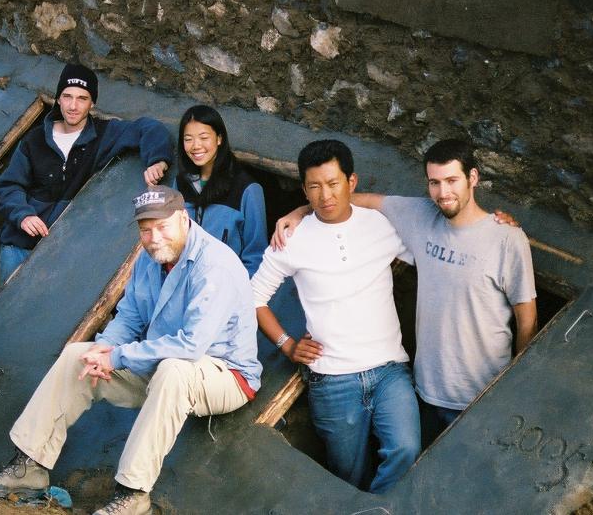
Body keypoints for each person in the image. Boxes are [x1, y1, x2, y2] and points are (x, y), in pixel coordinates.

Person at [0, 185, 261, 515]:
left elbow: (191, 345)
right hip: (162, 362)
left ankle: (133, 494)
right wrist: (103, 350)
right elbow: (129, 316)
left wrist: (117, 357)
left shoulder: (215, 264)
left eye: (162, 227)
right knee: (77, 357)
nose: (154, 238)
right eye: (145, 230)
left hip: (224, 373)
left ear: (183, 219)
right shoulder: (149, 259)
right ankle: (30, 466)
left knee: (174, 371)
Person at [272, 139, 537, 430]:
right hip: (426, 391)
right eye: (434, 183)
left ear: (472, 178)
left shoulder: (507, 239)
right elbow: (356, 200)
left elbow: (528, 323)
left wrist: (514, 391)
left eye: (452, 180)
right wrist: (301, 211)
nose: (443, 193)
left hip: (484, 397)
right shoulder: (420, 215)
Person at [252, 140, 419, 494]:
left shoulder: (381, 225)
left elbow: (434, 247)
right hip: (331, 380)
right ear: (304, 190)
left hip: (389, 370)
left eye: (333, 183)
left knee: (406, 449)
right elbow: (252, 298)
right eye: (314, 186)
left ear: (351, 182)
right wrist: (286, 345)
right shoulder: (292, 238)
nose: (325, 195)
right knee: (347, 477)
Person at [0, 63, 174, 283]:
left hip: (60, 253)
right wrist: (23, 215)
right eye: (67, 96)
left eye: (82, 98)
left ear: (92, 103)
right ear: (58, 99)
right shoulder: (34, 140)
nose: (73, 105)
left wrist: (158, 161)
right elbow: (8, 186)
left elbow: (149, 128)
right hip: (18, 247)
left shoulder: (104, 134)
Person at [175, 105, 266, 275]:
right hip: (183, 280)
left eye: (204, 137)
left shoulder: (248, 189)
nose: (196, 146)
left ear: (219, 138)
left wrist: (239, 288)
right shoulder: (180, 183)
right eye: (188, 139)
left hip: (226, 283)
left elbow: (255, 256)